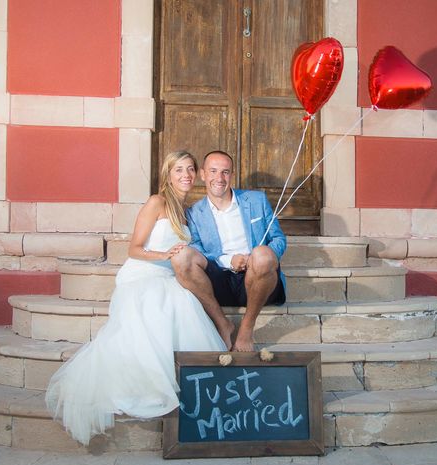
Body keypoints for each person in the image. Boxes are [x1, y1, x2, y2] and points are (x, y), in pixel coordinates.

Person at [45, 151, 228, 446]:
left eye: (191, 169)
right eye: (179, 169)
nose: (186, 175)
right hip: (142, 273)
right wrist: (164, 255)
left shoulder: (186, 210)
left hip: (168, 275)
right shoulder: (157, 202)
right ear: (168, 174)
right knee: (160, 308)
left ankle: (191, 386)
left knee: (184, 304)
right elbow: (134, 248)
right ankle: (149, 385)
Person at [171, 150, 287, 352]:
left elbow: (278, 238)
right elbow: (197, 247)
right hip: (218, 282)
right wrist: (227, 260)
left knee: (262, 254)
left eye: (225, 172)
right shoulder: (193, 213)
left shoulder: (256, 200)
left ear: (232, 175)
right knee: (182, 257)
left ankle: (246, 328)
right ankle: (222, 323)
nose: (219, 178)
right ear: (203, 174)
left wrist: (257, 258)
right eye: (213, 171)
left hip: (258, 280)